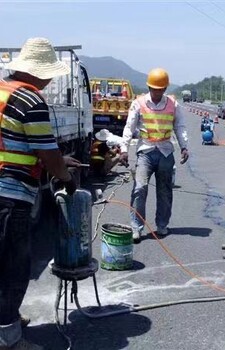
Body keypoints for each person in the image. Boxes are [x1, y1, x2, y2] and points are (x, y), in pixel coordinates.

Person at [0, 37, 78, 350]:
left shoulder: (3, 91)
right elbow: (47, 154)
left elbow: (15, 142)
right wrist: (65, 173)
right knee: (13, 269)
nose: (48, 80)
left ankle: (6, 320)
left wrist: (57, 159)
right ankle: (8, 338)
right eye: (48, 75)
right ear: (38, 72)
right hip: (10, 195)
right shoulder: (30, 100)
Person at [119, 68, 189, 243]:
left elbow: (180, 127)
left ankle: (162, 225)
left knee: (165, 191)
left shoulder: (173, 104)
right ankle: (136, 227)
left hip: (165, 152)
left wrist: (184, 147)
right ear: (149, 87)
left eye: (160, 89)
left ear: (165, 89)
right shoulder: (139, 103)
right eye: (154, 89)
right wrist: (124, 149)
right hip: (146, 151)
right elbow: (129, 127)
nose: (157, 92)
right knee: (139, 188)